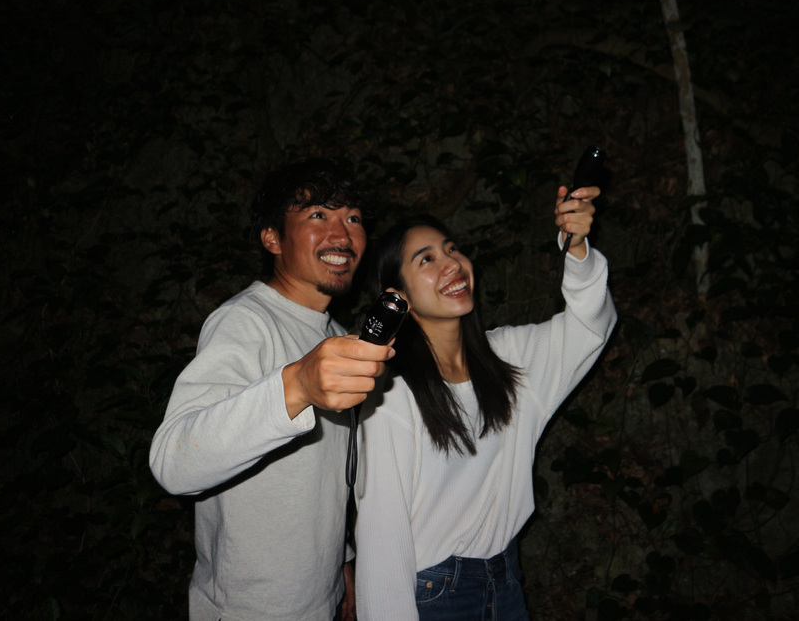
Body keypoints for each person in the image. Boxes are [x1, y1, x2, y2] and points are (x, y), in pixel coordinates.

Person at [354, 184, 617, 620]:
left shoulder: (510, 358)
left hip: (507, 583)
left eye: (451, 249)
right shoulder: (391, 393)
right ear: (398, 297)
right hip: (432, 597)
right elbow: (382, 536)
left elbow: (592, 326)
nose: (451, 263)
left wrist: (577, 250)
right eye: (426, 260)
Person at [149, 157, 394, 621]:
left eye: (353, 218)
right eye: (318, 214)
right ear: (272, 238)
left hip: (318, 600)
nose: (342, 235)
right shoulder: (244, 321)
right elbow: (173, 464)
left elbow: (322, 474)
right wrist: (296, 384)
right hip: (249, 609)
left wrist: (341, 561)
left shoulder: (334, 335)